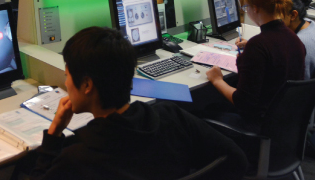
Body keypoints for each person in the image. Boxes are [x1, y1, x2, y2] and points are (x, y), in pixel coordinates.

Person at [30, 27, 247, 180]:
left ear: (87, 85)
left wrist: (54, 134)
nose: (66, 83)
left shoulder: (77, 158)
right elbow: (236, 160)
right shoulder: (171, 116)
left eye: (67, 75)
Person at [206, 0, 305, 128]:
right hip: (284, 124)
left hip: (258, 125)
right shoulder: (294, 38)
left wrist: (217, 80)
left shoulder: (258, 46)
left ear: (256, 8)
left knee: (200, 112)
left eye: (246, 8)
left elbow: (243, 102)